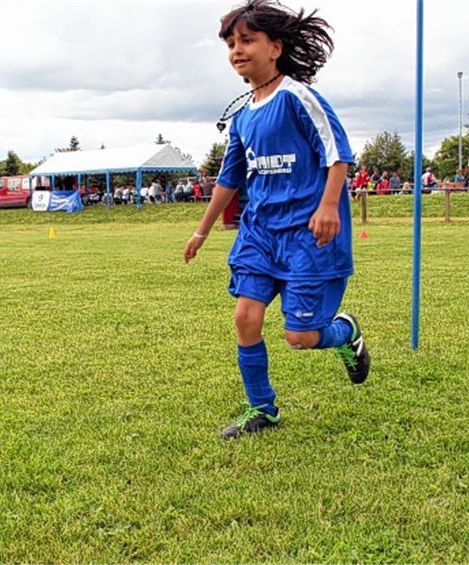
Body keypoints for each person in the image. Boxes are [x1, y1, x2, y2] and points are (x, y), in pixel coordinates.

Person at [183, 0, 369, 440]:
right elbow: (230, 179)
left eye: (247, 40)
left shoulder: (298, 97)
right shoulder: (243, 115)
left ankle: (345, 333)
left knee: (300, 337)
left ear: (276, 47)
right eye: (231, 43)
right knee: (245, 317)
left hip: (305, 234)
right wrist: (201, 230)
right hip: (259, 233)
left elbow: (338, 153)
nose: (237, 50)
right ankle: (261, 410)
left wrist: (327, 206)